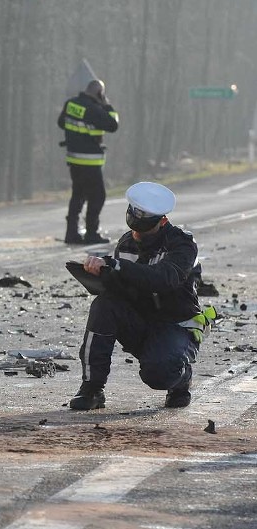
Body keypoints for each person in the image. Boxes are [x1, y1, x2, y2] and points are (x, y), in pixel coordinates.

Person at [68, 182, 215, 411]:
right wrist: (102, 274)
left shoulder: (182, 244)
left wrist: (117, 266)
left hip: (175, 326)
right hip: (142, 323)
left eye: (144, 223)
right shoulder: (126, 243)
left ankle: (181, 376)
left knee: (159, 374)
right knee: (103, 306)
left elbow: (163, 278)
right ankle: (92, 389)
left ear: (162, 221)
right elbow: (124, 287)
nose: (138, 234)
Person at [58, 79, 120, 244]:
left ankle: (71, 233)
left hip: (74, 159)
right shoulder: (94, 109)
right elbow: (113, 125)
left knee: (78, 195)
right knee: (98, 196)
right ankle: (91, 233)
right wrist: (107, 105)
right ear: (99, 93)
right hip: (90, 161)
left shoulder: (71, 104)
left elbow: (61, 123)